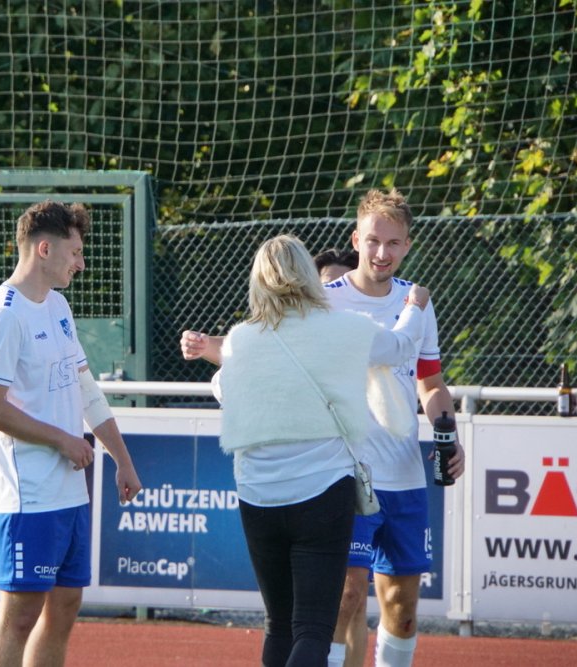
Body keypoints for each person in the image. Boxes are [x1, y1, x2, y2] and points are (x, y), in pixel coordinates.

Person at [180, 188, 465, 667]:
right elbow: (274, 342)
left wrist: (448, 434)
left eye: (393, 243)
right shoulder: (324, 302)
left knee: (402, 611)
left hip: (403, 475)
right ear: (355, 239)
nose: (381, 252)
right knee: (340, 601)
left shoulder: (416, 299)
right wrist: (212, 346)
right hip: (341, 476)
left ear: (408, 245)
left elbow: (430, 382)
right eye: (373, 240)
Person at [211, 234, 430, 667]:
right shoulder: (344, 328)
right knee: (313, 627)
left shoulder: (241, 339)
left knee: (278, 624)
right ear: (309, 275)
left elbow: (224, 391)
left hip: (257, 495)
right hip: (323, 492)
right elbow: (401, 346)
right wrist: (414, 306)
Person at [0, 199, 142, 667]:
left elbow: (86, 389)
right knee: (19, 616)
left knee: (65, 607)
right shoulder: (3, 314)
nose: (81, 264)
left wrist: (122, 460)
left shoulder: (58, 305)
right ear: (44, 249)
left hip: (69, 492)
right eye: (75, 252)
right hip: (26, 496)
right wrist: (62, 439)